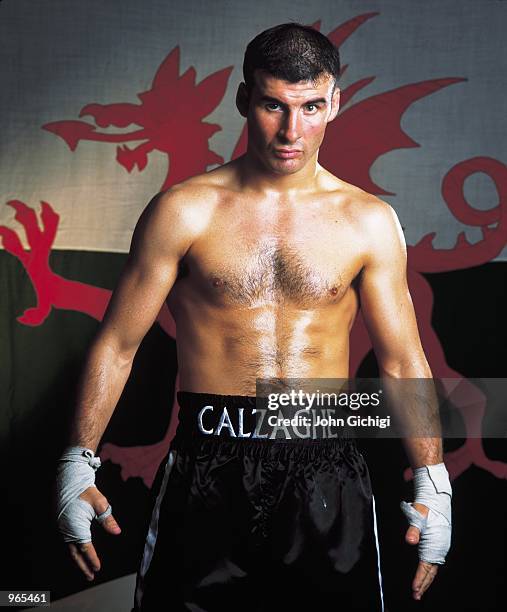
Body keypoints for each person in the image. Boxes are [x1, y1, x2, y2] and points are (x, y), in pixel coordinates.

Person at [55, 23, 452, 612]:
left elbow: (402, 358)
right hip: (209, 464)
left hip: (325, 462)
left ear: (334, 103)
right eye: (273, 105)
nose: (292, 131)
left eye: (311, 107)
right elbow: (117, 345)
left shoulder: (367, 219)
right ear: (245, 99)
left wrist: (433, 481)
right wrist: (75, 461)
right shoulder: (184, 210)